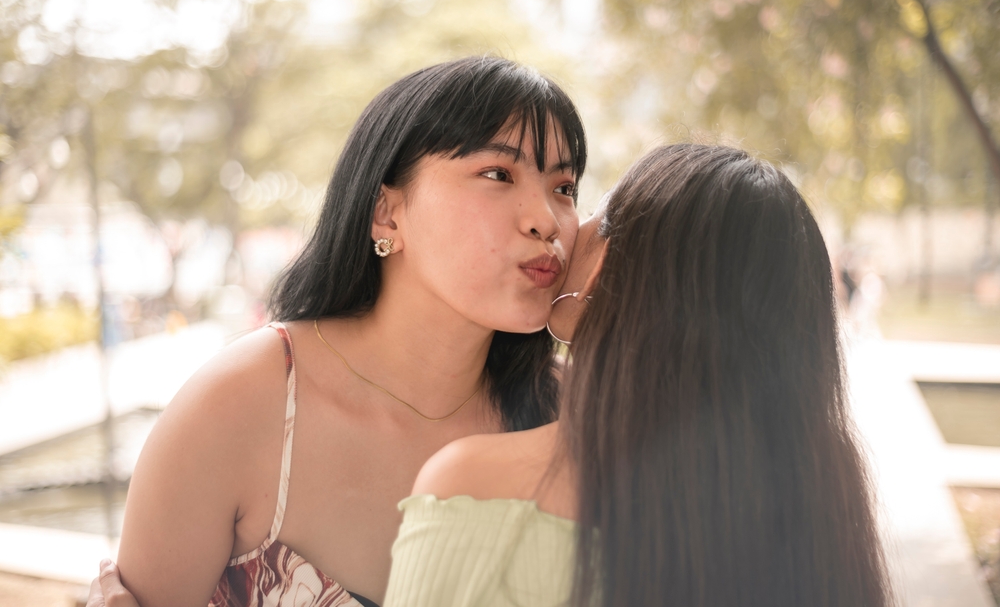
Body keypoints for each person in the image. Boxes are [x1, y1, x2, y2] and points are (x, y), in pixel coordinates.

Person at [89, 56, 587, 607]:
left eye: (564, 187)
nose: (547, 219)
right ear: (386, 213)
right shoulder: (244, 404)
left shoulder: (576, 416)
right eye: (498, 174)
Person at [382, 144, 893, 606]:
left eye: (573, 195)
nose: (554, 225)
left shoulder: (474, 488)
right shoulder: (826, 499)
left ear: (606, 263)